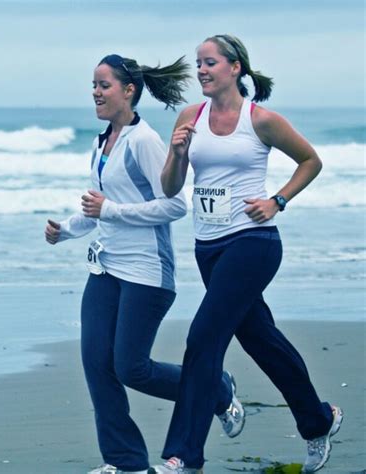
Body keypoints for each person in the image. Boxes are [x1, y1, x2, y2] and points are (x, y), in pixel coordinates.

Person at [149, 35, 343, 474]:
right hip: (209, 247)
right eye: (198, 63)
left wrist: (278, 200)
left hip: (253, 243)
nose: (201, 70)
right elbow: (170, 186)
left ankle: (183, 456)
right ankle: (318, 420)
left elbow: (310, 161)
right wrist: (178, 153)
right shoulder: (188, 118)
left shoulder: (261, 120)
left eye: (210, 62)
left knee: (202, 338)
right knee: (260, 338)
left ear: (235, 68)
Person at [45, 54, 244, 474]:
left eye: (104, 86)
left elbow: (174, 205)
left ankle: (217, 389)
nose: (96, 93)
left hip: (147, 274)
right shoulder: (103, 141)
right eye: (94, 86)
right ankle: (127, 462)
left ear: (128, 90)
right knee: (97, 367)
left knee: (131, 368)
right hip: (106, 269)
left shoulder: (143, 141)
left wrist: (111, 211)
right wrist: (64, 229)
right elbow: (98, 207)